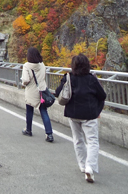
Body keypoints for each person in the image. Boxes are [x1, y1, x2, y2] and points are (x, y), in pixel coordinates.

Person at [55, 54, 106, 184]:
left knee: (78, 140)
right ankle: (90, 167)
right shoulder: (91, 79)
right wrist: (97, 110)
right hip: (89, 114)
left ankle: (82, 166)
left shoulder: (68, 77)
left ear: (73, 65)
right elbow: (102, 95)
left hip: (73, 114)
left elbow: (58, 92)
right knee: (92, 141)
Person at [21, 47, 54, 143]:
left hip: (31, 91)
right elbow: (43, 76)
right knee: (43, 111)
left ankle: (28, 130)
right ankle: (49, 134)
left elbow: (26, 80)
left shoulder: (26, 66)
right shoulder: (42, 65)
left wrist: (23, 83)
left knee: (29, 111)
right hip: (42, 91)